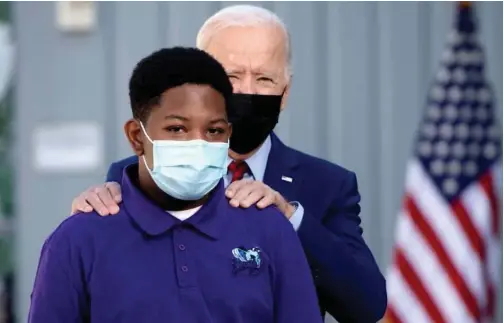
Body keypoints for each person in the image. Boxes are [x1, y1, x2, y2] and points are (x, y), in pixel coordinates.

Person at [71, 5, 387, 322]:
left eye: (264, 78)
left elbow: (365, 305)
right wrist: (90, 221)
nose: (247, 92)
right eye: (231, 76)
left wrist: (290, 218)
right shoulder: (141, 173)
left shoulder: (326, 185)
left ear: (286, 91)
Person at [29, 47, 322, 323]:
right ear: (136, 136)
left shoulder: (269, 230)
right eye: (177, 129)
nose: (199, 142)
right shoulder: (77, 240)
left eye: (214, 130)